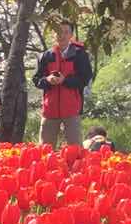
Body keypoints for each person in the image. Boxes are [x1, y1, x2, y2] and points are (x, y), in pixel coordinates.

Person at [32, 20, 92, 148]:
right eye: (59, 32)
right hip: (50, 110)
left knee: (75, 150)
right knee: (45, 150)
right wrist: (47, 80)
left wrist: (65, 80)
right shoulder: (46, 56)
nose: (62, 35)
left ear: (71, 35)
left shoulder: (79, 54)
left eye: (66, 32)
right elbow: (36, 79)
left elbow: (85, 79)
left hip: (72, 109)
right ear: (54, 34)